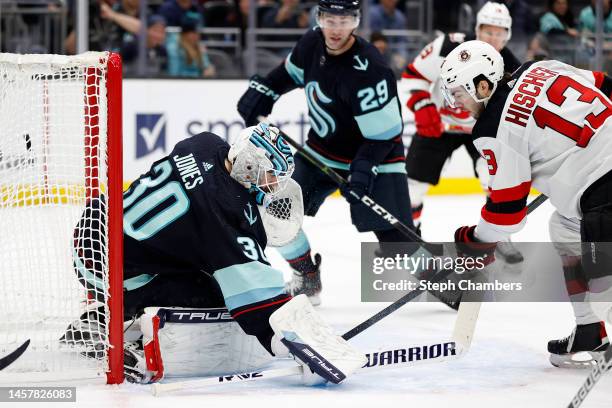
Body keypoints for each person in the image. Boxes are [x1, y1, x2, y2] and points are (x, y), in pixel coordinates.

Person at [65, 123, 365, 384]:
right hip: (107, 269)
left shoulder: (205, 144)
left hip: (96, 224)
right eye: (270, 176)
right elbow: (256, 300)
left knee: (201, 260)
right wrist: (298, 344)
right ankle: (110, 327)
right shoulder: (224, 214)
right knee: (217, 296)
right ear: (249, 163)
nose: (272, 186)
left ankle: (110, 310)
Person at [440, 40, 612, 368]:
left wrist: (475, 240)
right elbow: (605, 84)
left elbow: (506, 213)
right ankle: (590, 329)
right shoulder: (540, 67)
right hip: (599, 183)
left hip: (605, 196)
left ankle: (599, 316)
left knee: (608, 297)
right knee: (563, 227)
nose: (456, 103)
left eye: (458, 93)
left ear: (482, 85)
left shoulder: (493, 128)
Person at [237, 0, 415, 306]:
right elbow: (284, 77)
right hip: (322, 154)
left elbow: (382, 137)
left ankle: (452, 284)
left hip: (377, 157)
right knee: (275, 209)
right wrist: (263, 92)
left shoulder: (370, 68)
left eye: (344, 21)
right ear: (319, 18)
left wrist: (362, 170)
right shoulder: (311, 44)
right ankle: (307, 276)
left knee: (393, 240)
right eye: (329, 20)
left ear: (356, 22)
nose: (335, 29)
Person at [399, 1, 523, 263]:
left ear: (508, 35)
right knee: (413, 187)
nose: (493, 38)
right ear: (476, 29)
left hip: (481, 128)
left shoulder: (510, 64)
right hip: (439, 125)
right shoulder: (449, 46)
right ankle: (409, 235)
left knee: (494, 180)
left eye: (499, 33)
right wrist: (422, 107)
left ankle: (497, 236)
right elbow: (413, 75)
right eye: (488, 31)